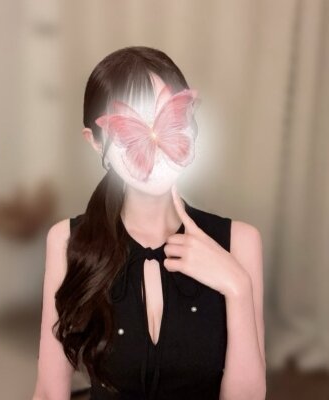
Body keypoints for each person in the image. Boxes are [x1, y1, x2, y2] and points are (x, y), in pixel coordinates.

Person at [32, 46, 266, 400]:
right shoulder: (66, 241)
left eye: (168, 118)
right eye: (131, 128)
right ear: (95, 141)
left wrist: (238, 286)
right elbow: (51, 391)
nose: (154, 141)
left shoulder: (241, 241)